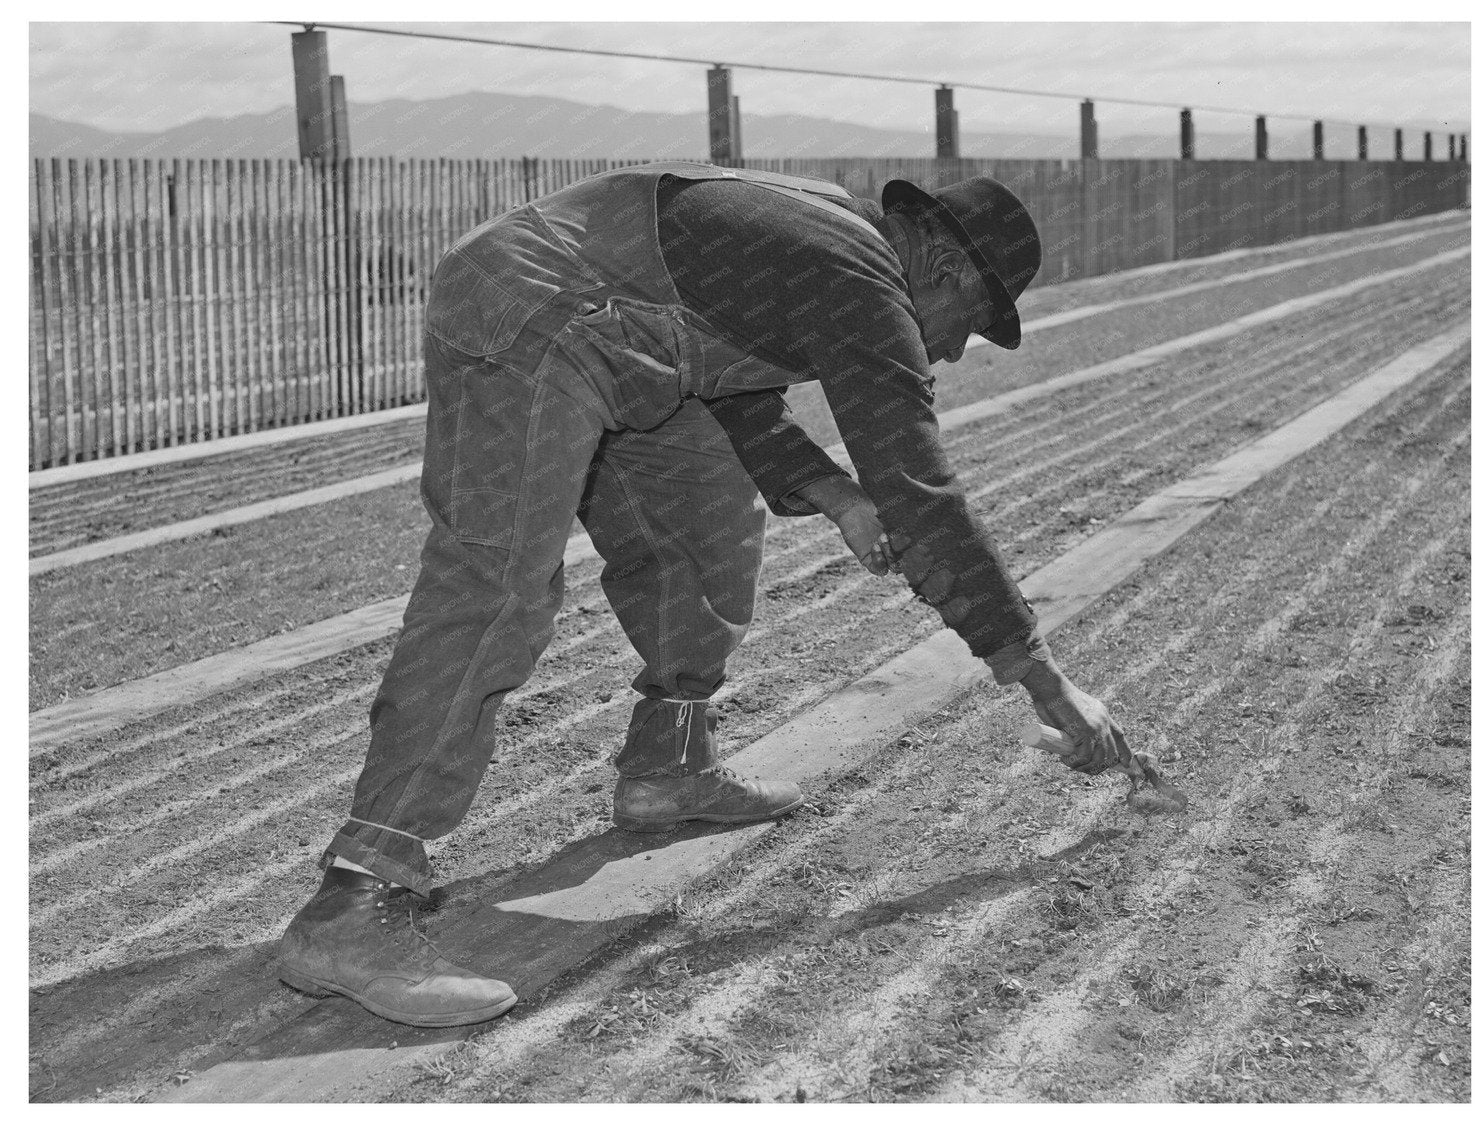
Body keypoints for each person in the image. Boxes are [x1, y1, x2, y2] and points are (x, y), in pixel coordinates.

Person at [278, 161, 1132, 1027]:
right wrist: (1044, 678)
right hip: (537, 307)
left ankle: (668, 765)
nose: (949, 351)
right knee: (500, 582)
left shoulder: (830, 249)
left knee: (708, 530)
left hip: (629, 341)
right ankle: (357, 898)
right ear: (946, 271)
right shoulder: (862, 278)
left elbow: (734, 382)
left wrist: (836, 495)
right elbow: (921, 492)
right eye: (967, 329)